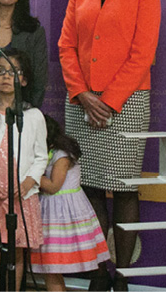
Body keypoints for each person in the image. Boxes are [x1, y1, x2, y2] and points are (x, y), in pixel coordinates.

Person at [57, 0, 160, 291]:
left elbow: (143, 52)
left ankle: (124, 276)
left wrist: (110, 101)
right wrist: (83, 94)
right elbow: (66, 46)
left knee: (125, 188)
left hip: (127, 103)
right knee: (92, 188)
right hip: (81, 101)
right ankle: (100, 272)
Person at [0, 49, 47, 291]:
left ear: (23, 79)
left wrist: (26, 184)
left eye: (13, 72)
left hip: (20, 198)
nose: (6, 76)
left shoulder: (33, 116)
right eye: (0, 71)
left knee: (15, 256)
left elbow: (40, 157)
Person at [30, 115, 110, 291]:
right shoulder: (48, 152)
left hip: (62, 214)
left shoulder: (62, 155)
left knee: (52, 265)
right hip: (49, 211)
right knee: (50, 269)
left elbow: (53, 186)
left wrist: (29, 172)